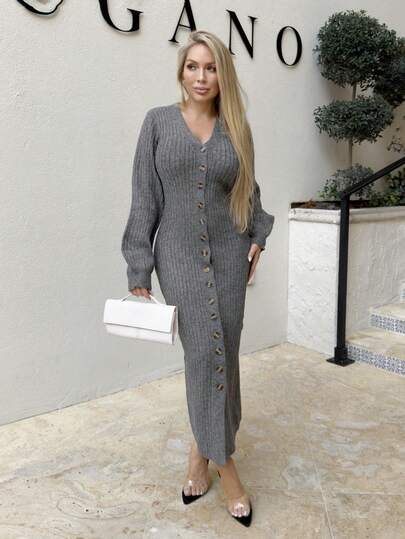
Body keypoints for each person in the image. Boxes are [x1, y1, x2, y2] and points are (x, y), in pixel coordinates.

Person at [121, 30, 275, 527]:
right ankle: (227, 471)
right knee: (204, 354)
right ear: (181, 71)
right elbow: (144, 196)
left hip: (230, 256)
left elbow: (248, 192)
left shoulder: (237, 128)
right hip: (179, 258)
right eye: (193, 66)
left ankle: (198, 454)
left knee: (222, 355)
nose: (201, 77)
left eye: (211, 68)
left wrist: (259, 234)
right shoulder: (158, 122)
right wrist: (139, 263)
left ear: (222, 75)